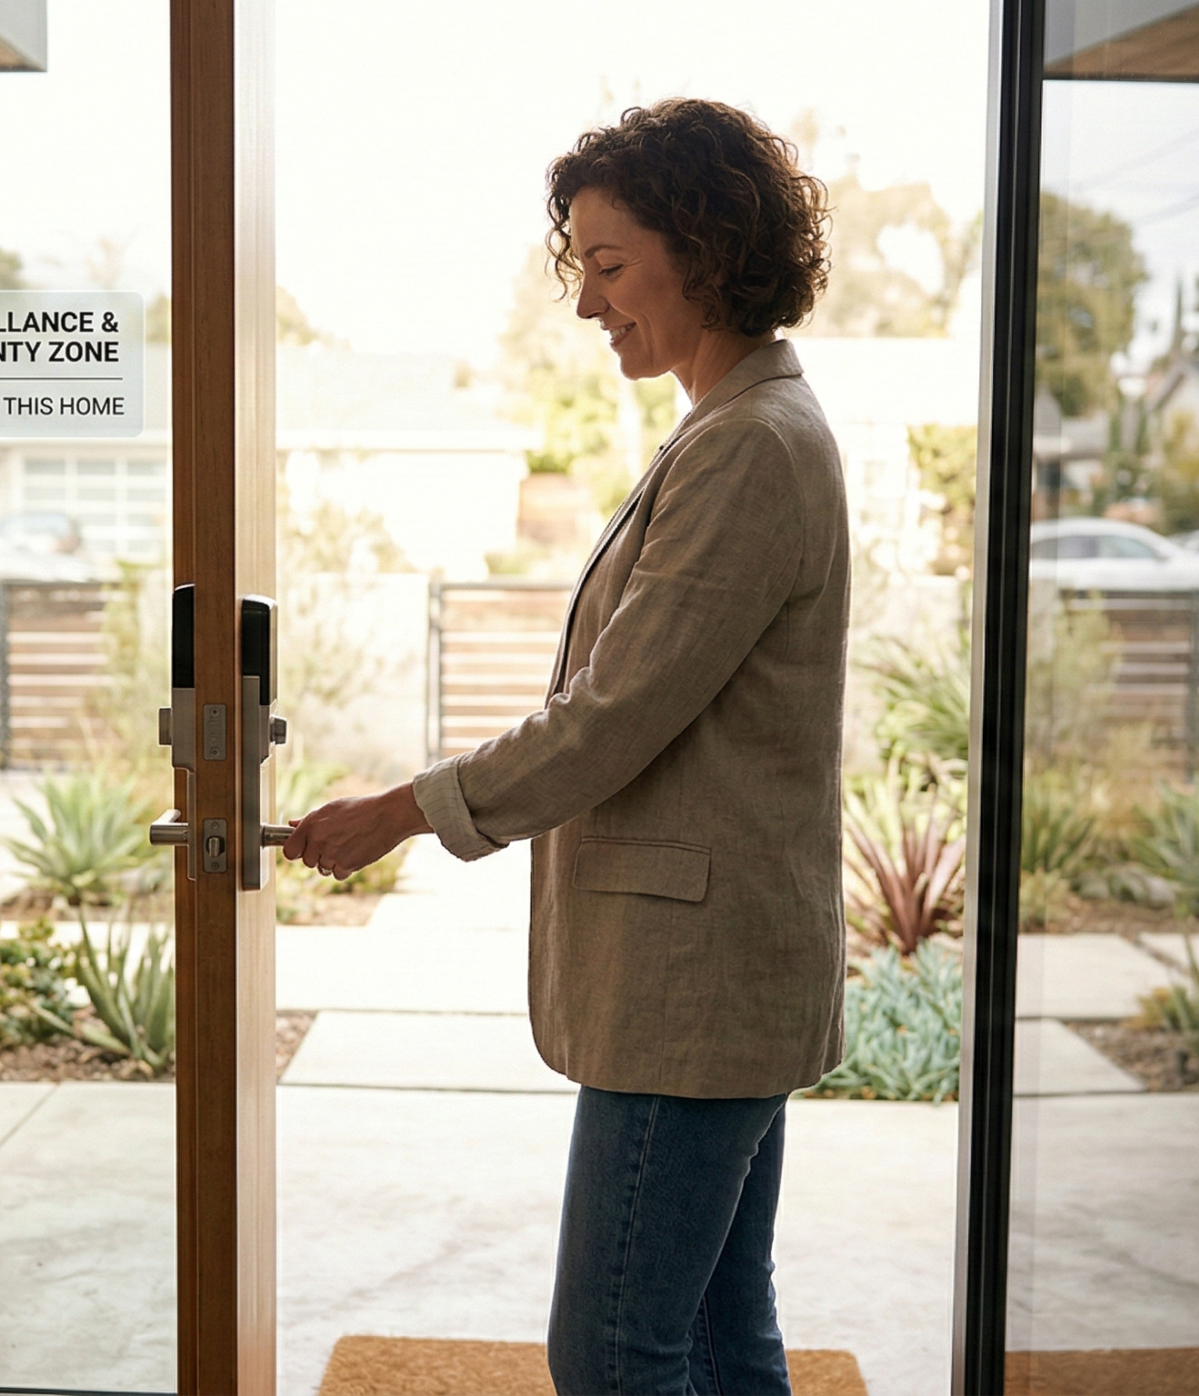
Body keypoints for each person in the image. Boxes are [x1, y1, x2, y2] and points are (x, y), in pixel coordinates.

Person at [284, 98, 848, 1396]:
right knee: (715, 1332)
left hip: (692, 988)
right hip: (714, 977)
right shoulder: (736, 428)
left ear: (704, 249)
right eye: (579, 268)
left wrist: (403, 810)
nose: (588, 305)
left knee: (613, 1351)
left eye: (608, 264)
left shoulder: (750, 447)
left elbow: (614, 715)